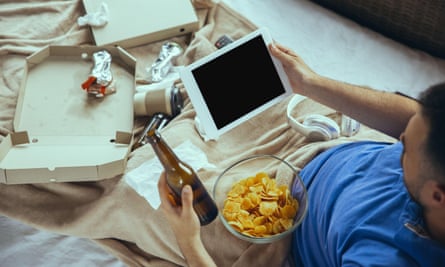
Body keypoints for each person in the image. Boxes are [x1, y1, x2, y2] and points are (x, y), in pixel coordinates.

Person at [157, 42, 445, 266]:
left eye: (405, 147)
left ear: (437, 196)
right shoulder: (432, 160)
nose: (401, 137)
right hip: (333, 140)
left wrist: (190, 242)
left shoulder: (386, 259)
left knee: (145, 188)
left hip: (282, 235)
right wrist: (308, 82)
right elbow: (413, 116)